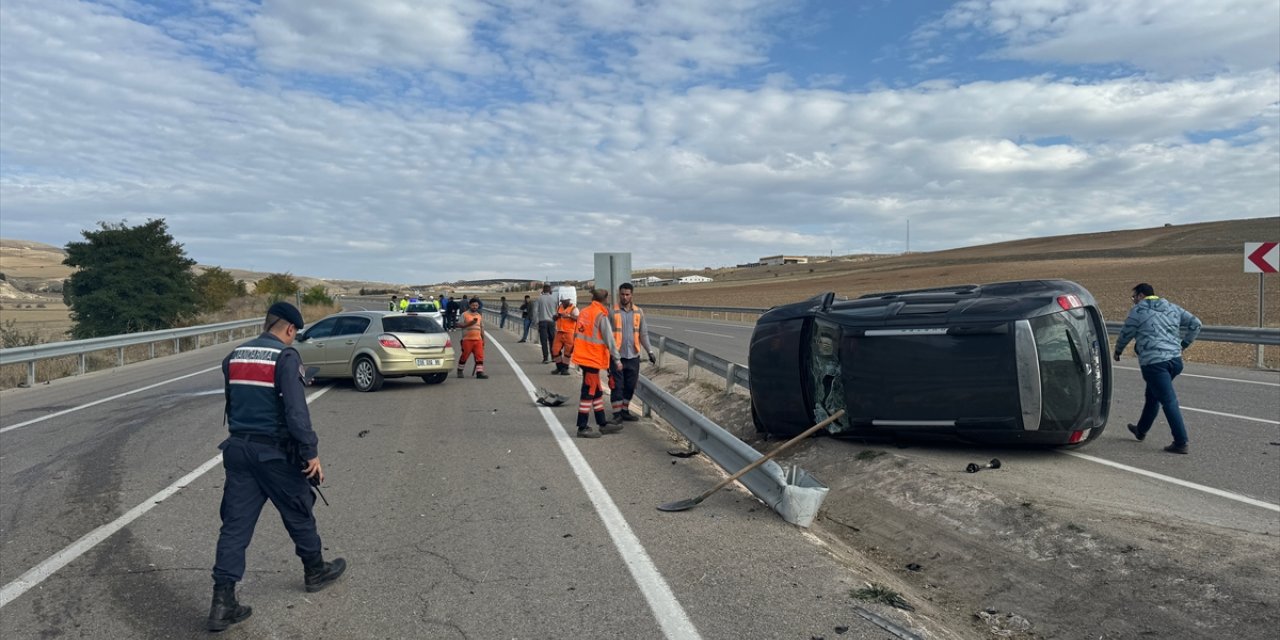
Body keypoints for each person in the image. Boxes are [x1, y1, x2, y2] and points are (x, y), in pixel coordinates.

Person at [209, 302, 346, 632]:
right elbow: (297, 412)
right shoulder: (285, 357)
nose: (294, 339)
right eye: (295, 333)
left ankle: (222, 601)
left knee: (235, 526)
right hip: (273, 454)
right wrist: (310, 453)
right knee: (299, 509)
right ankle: (315, 570)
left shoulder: (236, 355)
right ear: (288, 329)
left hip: (238, 450)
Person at [1113, 283, 1202, 454]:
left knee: (1168, 401)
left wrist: (1118, 350)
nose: (1133, 301)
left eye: (1134, 297)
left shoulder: (1138, 311)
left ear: (1140, 296)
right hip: (1175, 361)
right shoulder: (1172, 307)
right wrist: (1183, 344)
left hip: (1154, 363)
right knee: (1153, 396)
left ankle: (1180, 441)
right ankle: (1141, 430)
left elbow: (1126, 332)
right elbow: (1196, 323)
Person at [571, 289, 621, 438]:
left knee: (597, 391)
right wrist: (616, 359)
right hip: (592, 359)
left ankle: (602, 423)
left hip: (583, 357)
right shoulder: (600, 315)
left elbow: (577, 333)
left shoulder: (585, 312)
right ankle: (582, 427)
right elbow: (609, 339)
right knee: (588, 393)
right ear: (605, 299)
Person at [608, 282, 655, 424]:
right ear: (619, 295)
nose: (624, 297)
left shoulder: (638, 312)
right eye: (622, 294)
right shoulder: (612, 311)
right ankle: (617, 414)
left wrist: (650, 351)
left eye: (627, 294)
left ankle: (624, 410)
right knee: (617, 385)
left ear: (632, 295)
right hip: (617, 356)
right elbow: (606, 334)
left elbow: (643, 334)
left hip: (633, 356)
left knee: (630, 385)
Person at [456, 298, 488, 379]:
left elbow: (482, 328)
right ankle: (460, 370)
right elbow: (459, 325)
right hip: (467, 339)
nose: (475, 307)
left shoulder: (479, 315)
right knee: (464, 356)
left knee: (479, 356)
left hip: (478, 339)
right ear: (470, 305)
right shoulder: (464, 314)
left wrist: (483, 339)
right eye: (473, 305)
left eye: (476, 305)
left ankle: (479, 373)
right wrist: (470, 323)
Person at [551, 295, 578, 375]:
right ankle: (559, 367)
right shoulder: (560, 307)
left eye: (564, 301)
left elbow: (578, 318)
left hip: (569, 333)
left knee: (568, 352)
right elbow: (555, 317)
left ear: (568, 300)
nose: (563, 303)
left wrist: (569, 316)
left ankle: (565, 369)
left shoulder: (574, 309)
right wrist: (556, 317)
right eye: (562, 301)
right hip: (559, 332)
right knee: (555, 350)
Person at [532, 285, 557, 363]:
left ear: (543, 290)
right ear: (550, 290)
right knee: (552, 340)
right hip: (552, 322)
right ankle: (553, 357)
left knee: (544, 340)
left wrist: (535, 322)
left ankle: (545, 358)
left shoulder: (539, 299)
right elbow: (557, 311)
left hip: (542, 321)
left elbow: (535, 311)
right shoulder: (554, 299)